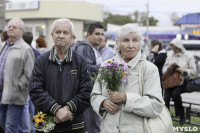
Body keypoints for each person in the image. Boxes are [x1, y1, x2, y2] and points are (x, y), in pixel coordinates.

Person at [91, 24, 164, 133]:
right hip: (108, 129)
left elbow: (156, 105)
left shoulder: (149, 69)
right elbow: (95, 96)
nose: (131, 45)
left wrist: (126, 98)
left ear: (140, 44)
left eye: (135, 40)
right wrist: (103, 102)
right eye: (126, 40)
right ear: (118, 44)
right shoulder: (107, 66)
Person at [29, 18, 91, 133]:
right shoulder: (41, 60)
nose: (61, 36)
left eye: (65, 32)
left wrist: (67, 109)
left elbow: (86, 92)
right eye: (58, 32)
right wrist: (56, 109)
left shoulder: (80, 61)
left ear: (72, 37)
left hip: (74, 125)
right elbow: (35, 90)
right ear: (52, 35)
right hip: (46, 123)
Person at [0, 18, 35, 133]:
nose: (10, 28)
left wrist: (18, 86)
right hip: (1, 92)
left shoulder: (26, 49)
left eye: (14, 27)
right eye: (9, 26)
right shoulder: (3, 46)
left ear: (22, 31)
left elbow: (29, 73)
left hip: (15, 95)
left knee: (11, 127)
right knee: (2, 124)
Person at [72, 23, 104, 133]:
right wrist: (106, 67)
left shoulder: (92, 48)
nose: (100, 37)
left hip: (90, 95)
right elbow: (85, 70)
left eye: (102, 34)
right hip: (87, 96)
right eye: (97, 34)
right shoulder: (84, 48)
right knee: (91, 127)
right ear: (89, 34)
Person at [162, 38, 196, 125]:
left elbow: (194, 71)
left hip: (182, 81)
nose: (173, 50)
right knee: (166, 98)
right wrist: (169, 68)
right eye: (172, 48)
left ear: (179, 47)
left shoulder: (188, 55)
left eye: (175, 48)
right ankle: (165, 118)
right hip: (170, 81)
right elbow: (164, 69)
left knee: (175, 95)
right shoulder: (170, 55)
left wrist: (184, 70)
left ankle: (181, 116)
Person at [20, 32, 40, 133]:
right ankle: (33, 128)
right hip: (35, 84)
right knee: (33, 109)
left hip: (26, 85)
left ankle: (25, 129)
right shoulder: (37, 52)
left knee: (25, 108)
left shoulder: (23, 51)